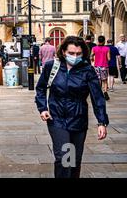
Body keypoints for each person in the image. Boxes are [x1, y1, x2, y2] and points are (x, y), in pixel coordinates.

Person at [35, 36, 109, 178]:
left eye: (78, 54)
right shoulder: (52, 66)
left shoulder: (87, 70)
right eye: (71, 53)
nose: (75, 57)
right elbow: (41, 88)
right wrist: (43, 108)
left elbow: (97, 97)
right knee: (64, 157)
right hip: (57, 119)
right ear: (63, 52)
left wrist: (101, 122)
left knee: (74, 160)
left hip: (78, 119)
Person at [91, 35, 111, 101]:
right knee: (105, 81)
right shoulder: (107, 49)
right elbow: (109, 58)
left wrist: (93, 60)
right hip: (104, 66)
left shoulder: (94, 48)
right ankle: (105, 92)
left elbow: (91, 56)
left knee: (98, 80)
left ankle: (99, 94)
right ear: (104, 41)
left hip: (97, 66)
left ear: (98, 41)